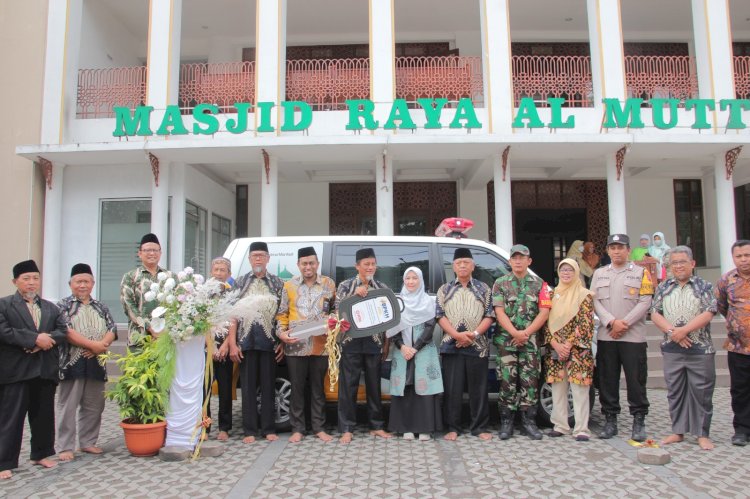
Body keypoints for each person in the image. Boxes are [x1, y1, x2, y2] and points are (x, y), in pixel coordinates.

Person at [0, 260, 68, 480]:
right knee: (11, 418)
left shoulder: (50, 307)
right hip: (16, 371)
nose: (31, 283)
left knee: (43, 415)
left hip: (44, 369)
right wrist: (33, 339)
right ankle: (4, 462)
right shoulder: (4, 305)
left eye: (35, 278)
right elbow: (5, 331)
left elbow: (62, 331)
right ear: (15, 281)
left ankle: (41, 453)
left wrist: (42, 341)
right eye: (26, 278)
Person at [650, 246, 717, 451]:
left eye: (682, 262)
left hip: (700, 349)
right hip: (672, 348)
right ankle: (678, 431)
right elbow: (654, 312)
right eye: (674, 263)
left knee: (701, 391)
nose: (678, 266)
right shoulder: (663, 287)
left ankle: (701, 433)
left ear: (692, 264)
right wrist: (673, 333)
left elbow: (710, 311)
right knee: (675, 391)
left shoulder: (703, 286)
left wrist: (684, 331)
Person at [590, 234, 654, 441]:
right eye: (613, 247)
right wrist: (610, 322)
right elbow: (594, 302)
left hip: (632, 336)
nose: (616, 251)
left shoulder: (641, 273)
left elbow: (645, 301)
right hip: (607, 336)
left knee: (636, 380)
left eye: (621, 247)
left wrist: (623, 323)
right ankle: (610, 421)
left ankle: (638, 420)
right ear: (608, 251)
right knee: (607, 379)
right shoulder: (599, 274)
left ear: (628, 250)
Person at [55, 264, 117, 462]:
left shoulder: (101, 306)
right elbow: (66, 331)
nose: (82, 285)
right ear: (71, 284)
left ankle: (88, 441)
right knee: (68, 405)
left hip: (97, 362)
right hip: (72, 362)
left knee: (94, 404)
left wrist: (102, 345)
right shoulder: (63, 305)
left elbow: (112, 328)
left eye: (86, 281)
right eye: (78, 282)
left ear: (93, 283)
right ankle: (65, 446)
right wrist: (94, 345)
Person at [276, 247, 336, 443]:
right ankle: (298, 429)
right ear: (298, 265)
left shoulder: (328, 284)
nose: (308, 266)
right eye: (304, 263)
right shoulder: (289, 285)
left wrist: (333, 324)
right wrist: (281, 334)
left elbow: (336, 310)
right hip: (295, 345)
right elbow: (282, 314)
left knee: (318, 388)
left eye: (311, 263)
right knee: (297, 388)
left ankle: (319, 427)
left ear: (317, 264)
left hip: (321, 345)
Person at [492, 244, 551, 440]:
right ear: (509, 261)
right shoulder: (500, 283)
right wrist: (514, 333)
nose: (518, 261)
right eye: (514, 258)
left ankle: (529, 422)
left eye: (522, 257)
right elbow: (499, 311)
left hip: (530, 341)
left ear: (529, 261)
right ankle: (506, 423)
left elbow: (544, 311)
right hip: (506, 341)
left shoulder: (540, 284)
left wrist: (525, 333)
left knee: (530, 381)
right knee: (507, 381)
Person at [334, 248, 392, 444]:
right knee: (348, 386)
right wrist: (354, 295)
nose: (370, 267)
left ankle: (376, 426)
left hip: (373, 342)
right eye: (366, 264)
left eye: (373, 264)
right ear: (357, 266)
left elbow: (388, 320)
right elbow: (338, 310)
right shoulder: (345, 285)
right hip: (351, 342)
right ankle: (347, 428)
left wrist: (386, 345)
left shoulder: (382, 287)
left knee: (374, 386)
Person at [228, 241, 283, 443]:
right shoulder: (240, 282)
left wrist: (282, 342)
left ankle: (269, 429)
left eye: (262, 255)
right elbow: (231, 315)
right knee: (249, 388)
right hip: (246, 344)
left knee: (269, 387)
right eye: (255, 256)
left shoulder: (277, 283)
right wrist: (232, 344)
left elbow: (282, 315)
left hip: (270, 344)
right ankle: (250, 431)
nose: (258, 259)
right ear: (250, 259)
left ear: (268, 258)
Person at [437, 248, 495, 441]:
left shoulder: (484, 288)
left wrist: (474, 334)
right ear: (453, 266)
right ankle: (453, 427)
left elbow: (489, 315)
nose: (462, 265)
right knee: (452, 389)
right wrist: (456, 335)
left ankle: (479, 427)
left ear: (473, 265)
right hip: (450, 345)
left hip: (477, 345)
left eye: (466, 262)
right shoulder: (444, 289)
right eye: (458, 262)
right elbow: (440, 316)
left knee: (478, 389)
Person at [388, 267, 443, 441]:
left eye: (415, 278)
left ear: (421, 281)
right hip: (401, 351)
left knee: (424, 388)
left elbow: (430, 327)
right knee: (405, 387)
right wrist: (402, 346)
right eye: (407, 278)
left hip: (423, 351)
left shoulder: (427, 302)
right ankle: (406, 428)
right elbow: (391, 327)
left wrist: (415, 348)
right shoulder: (397, 302)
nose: (411, 282)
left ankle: (425, 428)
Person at [543, 259, 594, 441]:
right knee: (558, 388)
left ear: (576, 273)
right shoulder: (551, 294)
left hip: (577, 350)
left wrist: (568, 344)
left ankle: (581, 428)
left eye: (570, 270)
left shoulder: (584, 295)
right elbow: (545, 321)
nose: (566, 273)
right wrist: (555, 344)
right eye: (563, 270)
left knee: (579, 389)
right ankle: (560, 425)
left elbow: (586, 324)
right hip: (555, 349)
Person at [715, 239, 750, 446]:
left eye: (747, 255)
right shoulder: (726, 281)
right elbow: (722, 306)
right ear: (733, 258)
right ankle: (742, 429)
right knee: (740, 389)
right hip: (738, 347)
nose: (744, 259)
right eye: (739, 256)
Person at [120, 233, 169, 346]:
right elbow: (128, 306)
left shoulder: (170, 277)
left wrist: (164, 330)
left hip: (166, 338)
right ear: (140, 253)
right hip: (139, 338)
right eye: (147, 250)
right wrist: (150, 328)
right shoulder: (130, 277)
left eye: (155, 250)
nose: (152, 253)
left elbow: (177, 306)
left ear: (160, 253)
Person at [206, 257, 235, 441]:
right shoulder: (203, 295)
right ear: (211, 272)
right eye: (216, 269)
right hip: (206, 346)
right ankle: (205, 426)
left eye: (222, 270)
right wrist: (210, 346)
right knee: (204, 389)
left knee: (225, 389)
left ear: (229, 274)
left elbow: (234, 320)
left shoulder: (232, 295)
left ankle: (224, 428)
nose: (218, 273)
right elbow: (200, 321)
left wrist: (225, 345)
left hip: (224, 347)